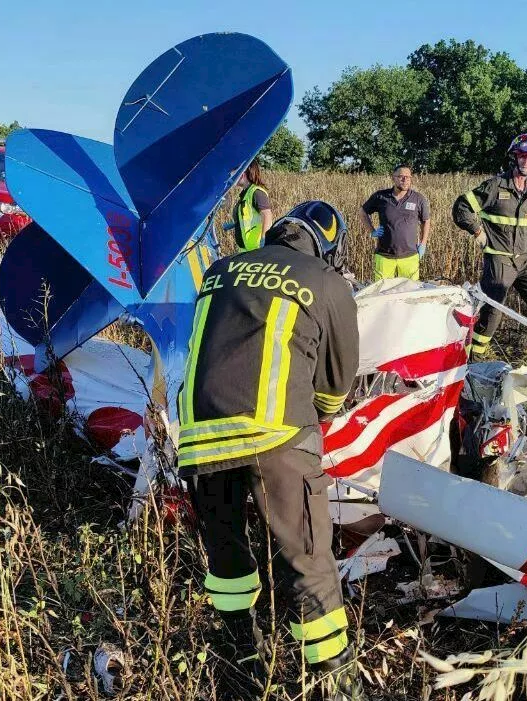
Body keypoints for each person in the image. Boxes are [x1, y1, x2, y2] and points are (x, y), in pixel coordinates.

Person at [179, 201, 364, 700]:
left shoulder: (219, 271)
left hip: (198, 437)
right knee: (307, 560)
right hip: (276, 436)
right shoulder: (326, 282)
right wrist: (315, 419)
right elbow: (335, 384)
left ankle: (238, 659)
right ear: (327, 246)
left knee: (226, 554)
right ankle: (335, 680)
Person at [452, 132, 527, 381]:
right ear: (514, 157)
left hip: (525, 262)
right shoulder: (495, 186)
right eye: (523, 157)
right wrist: (477, 233)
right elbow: (461, 207)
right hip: (499, 261)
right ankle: (471, 365)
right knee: (492, 315)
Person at [359, 165, 431, 281]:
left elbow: (426, 221)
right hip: (384, 255)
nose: (405, 180)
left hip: (410, 256)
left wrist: (423, 244)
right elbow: (362, 212)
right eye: (401, 177)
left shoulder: (418, 199)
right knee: (382, 292)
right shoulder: (381, 196)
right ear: (393, 178)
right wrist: (372, 231)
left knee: (410, 293)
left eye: (408, 177)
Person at [223, 159, 274, 252]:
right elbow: (248, 218)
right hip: (245, 250)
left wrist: (264, 240)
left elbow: (267, 216)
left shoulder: (256, 192)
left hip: (256, 250)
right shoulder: (245, 194)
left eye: (234, 173)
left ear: (243, 174)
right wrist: (236, 224)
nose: (231, 176)